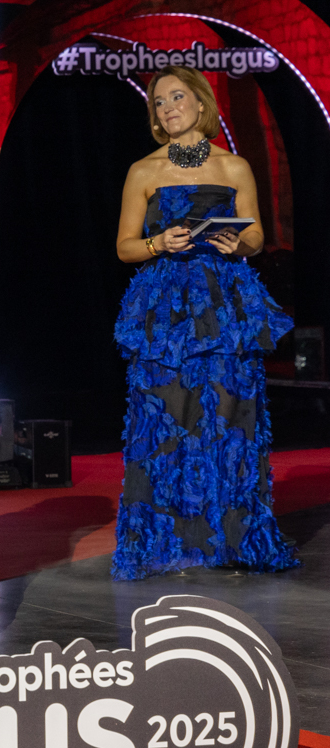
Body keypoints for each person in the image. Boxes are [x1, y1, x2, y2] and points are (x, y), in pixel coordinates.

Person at [110, 66, 298, 579]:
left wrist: (240, 243)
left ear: (200, 103)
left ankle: (234, 540)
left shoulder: (233, 166)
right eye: (159, 102)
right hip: (165, 310)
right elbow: (125, 246)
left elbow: (257, 236)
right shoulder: (143, 171)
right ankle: (165, 542)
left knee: (231, 419)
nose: (168, 107)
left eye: (177, 97)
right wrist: (157, 243)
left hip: (224, 304)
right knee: (166, 418)